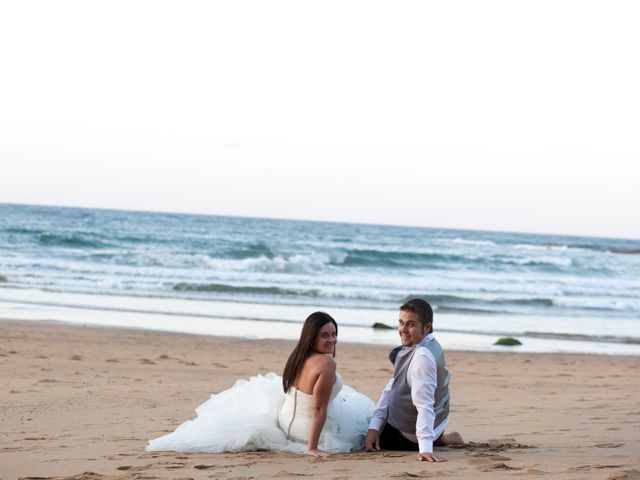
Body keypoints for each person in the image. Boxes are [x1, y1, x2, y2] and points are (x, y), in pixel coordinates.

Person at [146, 312, 374, 457]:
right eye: (325, 335)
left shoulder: (298, 356)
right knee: (365, 419)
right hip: (308, 432)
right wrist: (312, 447)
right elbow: (318, 409)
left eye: (334, 334)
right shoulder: (326, 365)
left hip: (286, 424)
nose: (332, 340)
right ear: (312, 337)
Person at [365, 298, 464, 462]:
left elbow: (424, 404)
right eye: (401, 322)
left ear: (426, 327)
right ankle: (440, 438)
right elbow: (393, 385)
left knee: (358, 430)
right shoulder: (432, 344)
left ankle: (437, 440)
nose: (403, 329)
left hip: (408, 436)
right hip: (438, 423)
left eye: (410, 324)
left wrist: (425, 449)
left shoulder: (421, 357)